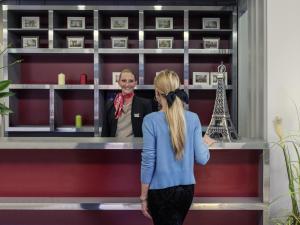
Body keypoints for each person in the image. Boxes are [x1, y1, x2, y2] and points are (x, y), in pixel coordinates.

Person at [140, 69, 214, 225]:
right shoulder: (193, 118)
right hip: (186, 190)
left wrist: (143, 197)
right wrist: (204, 144)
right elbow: (202, 159)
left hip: (159, 191)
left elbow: (148, 161)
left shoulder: (150, 120)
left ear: (157, 93)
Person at [101, 68, 152, 137]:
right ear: (119, 82)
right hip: (115, 146)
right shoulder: (110, 105)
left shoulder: (145, 104)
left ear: (135, 83)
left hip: (137, 147)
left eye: (131, 81)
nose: (127, 84)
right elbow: (105, 133)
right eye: (124, 81)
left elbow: (149, 133)